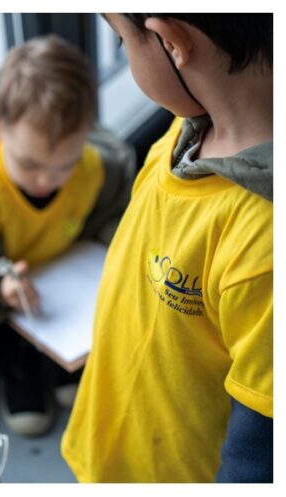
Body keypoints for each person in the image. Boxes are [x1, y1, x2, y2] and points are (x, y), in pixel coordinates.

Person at [63, 14, 272, 482]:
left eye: (122, 40)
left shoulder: (266, 246)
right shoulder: (186, 128)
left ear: (172, 41)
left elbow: (259, 457)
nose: (122, 52)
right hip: (114, 441)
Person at [0, 35, 135, 436]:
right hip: (10, 297)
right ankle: (24, 364)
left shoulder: (100, 170)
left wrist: (111, 239)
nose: (46, 180)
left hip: (69, 292)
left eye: (64, 165)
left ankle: (63, 364)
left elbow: (111, 215)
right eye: (30, 164)